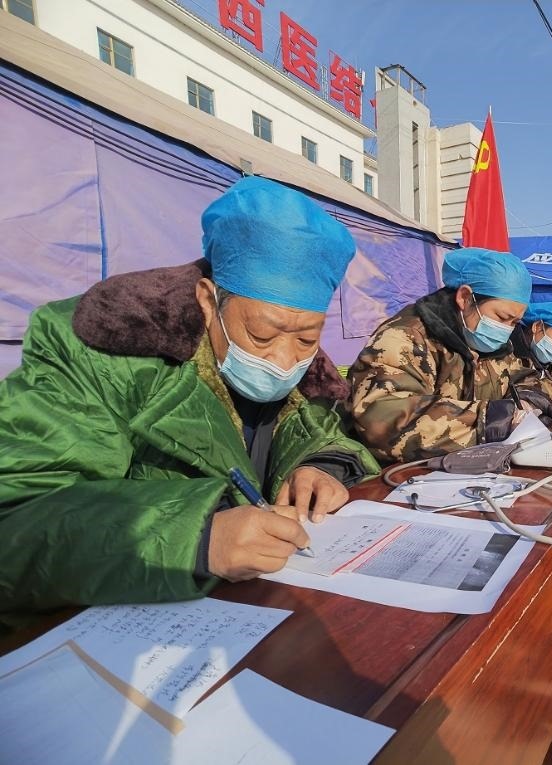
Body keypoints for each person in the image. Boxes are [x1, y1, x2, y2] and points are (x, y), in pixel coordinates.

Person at [0, 177, 380, 623]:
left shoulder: (311, 374)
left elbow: (326, 433)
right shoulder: (102, 351)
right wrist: (196, 539)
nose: (282, 361)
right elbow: (18, 519)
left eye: (307, 338)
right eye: (260, 335)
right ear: (208, 301)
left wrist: (322, 466)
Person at [347, 248, 552, 464]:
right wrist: (493, 420)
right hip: (402, 474)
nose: (506, 330)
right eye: (501, 317)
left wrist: (528, 402)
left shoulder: (493, 349)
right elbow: (384, 418)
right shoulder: (405, 338)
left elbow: (529, 377)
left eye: (514, 322)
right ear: (465, 298)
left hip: (470, 469)